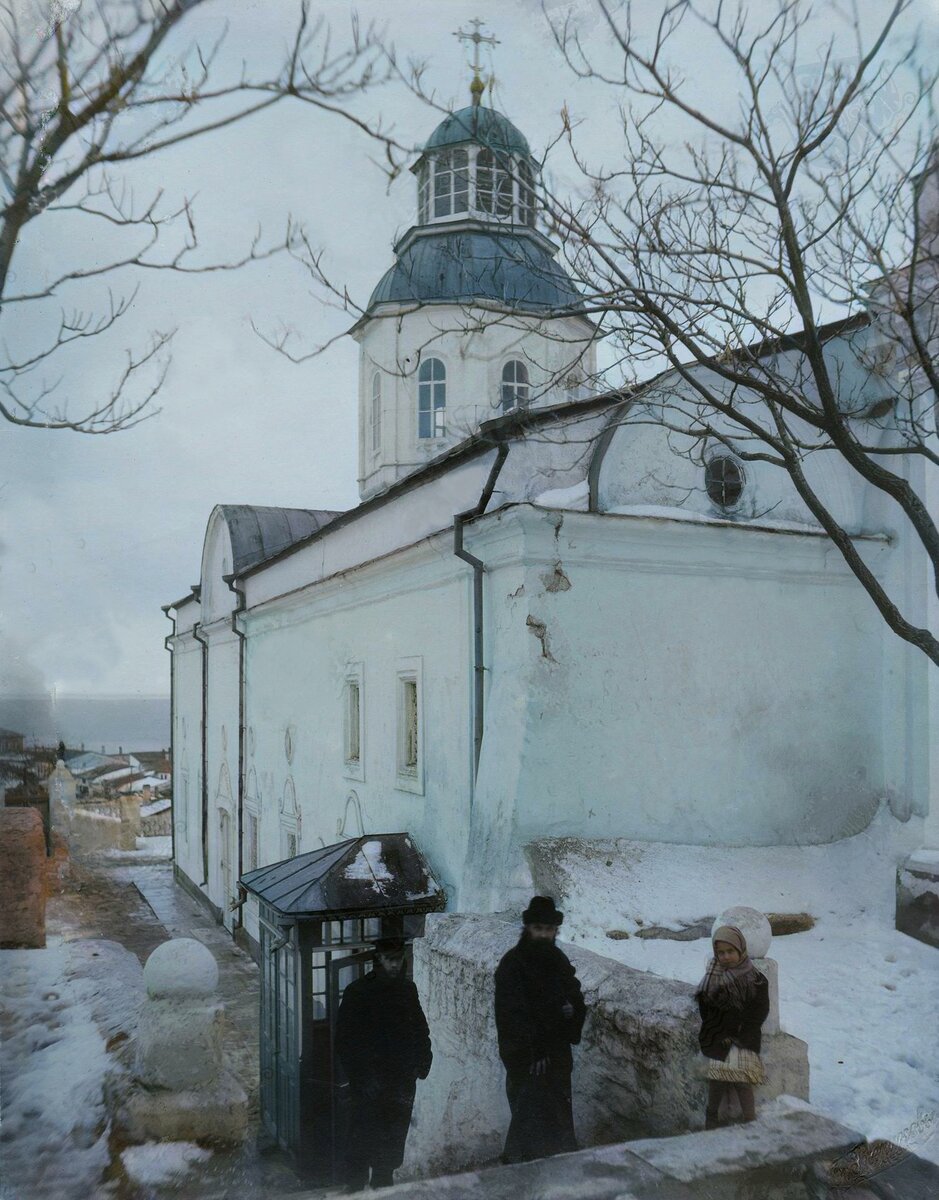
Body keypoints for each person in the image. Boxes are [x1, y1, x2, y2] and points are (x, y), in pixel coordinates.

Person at [334, 936, 432, 1191]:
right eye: (389, 959)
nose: (395, 965)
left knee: (391, 1142)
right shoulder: (358, 992)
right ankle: (354, 1188)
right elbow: (345, 1041)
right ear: (378, 959)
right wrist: (363, 1079)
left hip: (400, 1083)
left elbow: (420, 1029)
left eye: (398, 959)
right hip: (370, 1085)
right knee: (362, 1140)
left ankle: (384, 1187)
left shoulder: (407, 990)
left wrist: (422, 1063)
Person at [494, 895, 587, 1164]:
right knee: (528, 1122)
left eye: (549, 929)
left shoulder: (558, 959)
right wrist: (534, 1051)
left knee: (558, 1121)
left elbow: (574, 993)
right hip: (527, 1058)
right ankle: (520, 1172)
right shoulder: (512, 964)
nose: (544, 935)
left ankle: (559, 1171)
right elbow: (511, 1014)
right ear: (527, 928)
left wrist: (572, 1009)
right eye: (538, 928)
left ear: (555, 931)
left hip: (556, 1055)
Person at [695, 924, 769, 1129]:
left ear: (741, 950)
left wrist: (740, 1032)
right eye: (721, 953)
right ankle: (711, 1117)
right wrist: (716, 1028)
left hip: (743, 1038)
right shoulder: (713, 977)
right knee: (717, 1079)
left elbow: (759, 1011)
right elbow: (705, 1007)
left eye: (730, 951)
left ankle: (749, 1120)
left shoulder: (756, 980)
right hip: (719, 1036)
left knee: (742, 1080)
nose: (726, 957)